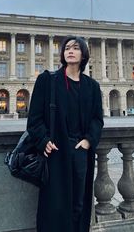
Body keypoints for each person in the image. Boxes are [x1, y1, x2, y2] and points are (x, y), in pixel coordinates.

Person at [27, 36, 104, 232]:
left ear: (83, 54)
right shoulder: (47, 80)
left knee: (78, 204)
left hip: (80, 150)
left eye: (76, 48)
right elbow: (34, 118)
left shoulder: (92, 87)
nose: (70, 50)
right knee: (54, 206)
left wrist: (88, 141)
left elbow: (97, 119)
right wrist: (43, 140)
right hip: (55, 151)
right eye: (67, 48)